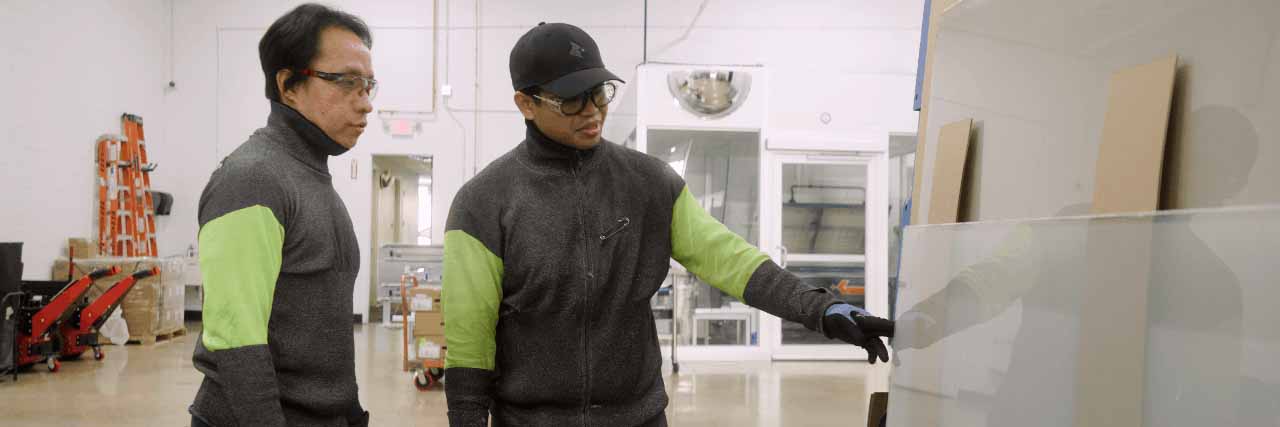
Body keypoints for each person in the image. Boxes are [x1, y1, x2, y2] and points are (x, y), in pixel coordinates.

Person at [442, 22, 895, 427]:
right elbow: (470, 336)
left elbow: (729, 260)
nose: (593, 110)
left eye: (600, 92)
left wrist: (819, 310)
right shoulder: (484, 203)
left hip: (637, 417)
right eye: (572, 100)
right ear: (526, 103)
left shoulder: (649, 184)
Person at [188, 4, 375, 426]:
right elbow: (237, 344)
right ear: (288, 85)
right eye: (347, 82)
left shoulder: (312, 176)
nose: (365, 104)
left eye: (368, 85)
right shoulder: (252, 178)